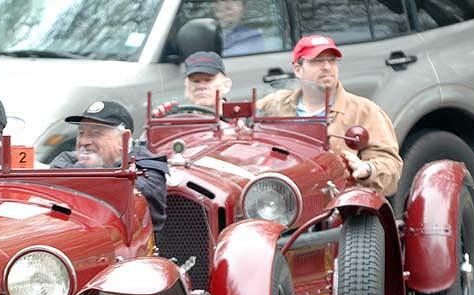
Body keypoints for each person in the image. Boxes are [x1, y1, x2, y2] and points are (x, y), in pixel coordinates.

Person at [257, 35, 403, 196]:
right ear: (298, 70)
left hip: (340, 210)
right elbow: (239, 127)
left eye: (332, 60)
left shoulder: (365, 111)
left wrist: (367, 169)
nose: (327, 67)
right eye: (317, 61)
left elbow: (391, 167)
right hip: (281, 202)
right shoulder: (274, 105)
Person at [50, 100, 168, 231]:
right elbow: (55, 173)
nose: (83, 141)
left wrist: (88, 170)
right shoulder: (67, 159)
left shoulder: (148, 169)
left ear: (124, 138)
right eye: (81, 133)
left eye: (96, 133)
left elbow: (131, 192)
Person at [153, 51, 232, 117]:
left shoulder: (240, 119)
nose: (201, 86)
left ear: (226, 85)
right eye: (195, 81)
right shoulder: (176, 120)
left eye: (208, 80)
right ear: (187, 88)